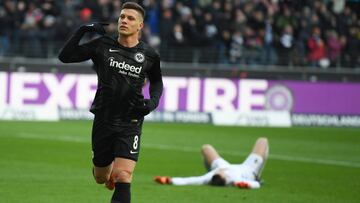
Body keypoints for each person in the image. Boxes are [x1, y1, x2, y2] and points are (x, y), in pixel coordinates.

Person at [58, 2, 163, 203]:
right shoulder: (102, 45)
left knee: (123, 176)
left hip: (131, 122)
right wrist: (82, 30)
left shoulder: (149, 55)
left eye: (130, 18)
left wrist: (153, 102)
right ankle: (105, 171)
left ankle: (119, 173)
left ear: (140, 26)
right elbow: (65, 57)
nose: (124, 20)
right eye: (122, 16)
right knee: (102, 177)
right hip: (104, 120)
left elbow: (157, 80)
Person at [154, 137, 269, 189]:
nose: (219, 173)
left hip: (224, 165)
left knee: (206, 148)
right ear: (225, 178)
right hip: (247, 169)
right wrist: (249, 184)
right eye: (221, 174)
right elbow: (256, 185)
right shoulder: (234, 178)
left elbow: (189, 180)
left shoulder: (211, 175)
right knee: (263, 141)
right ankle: (257, 175)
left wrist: (169, 180)